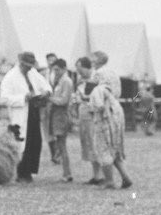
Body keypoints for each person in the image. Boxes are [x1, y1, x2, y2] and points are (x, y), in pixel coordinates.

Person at [74, 57, 132, 189]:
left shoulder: (97, 90)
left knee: (102, 149)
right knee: (115, 149)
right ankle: (125, 177)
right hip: (117, 120)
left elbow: (98, 106)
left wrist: (87, 103)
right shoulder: (110, 92)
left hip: (104, 122)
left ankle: (109, 180)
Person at [0, 51, 53, 183]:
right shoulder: (10, 77)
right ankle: (21, 173)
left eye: (31, 65)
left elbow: (45, 85)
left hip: (33, 110)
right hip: (20, 114)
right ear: (21, 63)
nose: (29, 68)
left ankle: (29, 171)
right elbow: (5, 98)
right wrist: (23, 98)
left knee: (35, 141)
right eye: (27, 66)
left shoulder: (33, 72)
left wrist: (46, 92)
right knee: (22, 142)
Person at [92, 50, 132, 180]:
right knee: (115, 145)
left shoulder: (98, 80)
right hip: (117, 109)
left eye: (93, 59)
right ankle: (125, 177)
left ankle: (109, 181)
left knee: (103, 145)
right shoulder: (113, 72)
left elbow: (98, 102)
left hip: (106, 112)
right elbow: (117, 92)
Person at [46, 58, 75, 182]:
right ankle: (66, 172)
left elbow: (63, 100)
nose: (55, 72)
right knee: (60, 144)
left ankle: (67, 173)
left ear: (64, 68)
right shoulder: (59, 81)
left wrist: (50, 98)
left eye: (57, 69)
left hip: (62, 115)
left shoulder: (66, 81)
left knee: (62, 145)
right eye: (54, 70)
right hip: (56, 115)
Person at [41, 52, 59, 163]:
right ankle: (53, 155)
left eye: (53, 60)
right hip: (45, 105)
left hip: (56, 105)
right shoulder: (43, 74)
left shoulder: (60, 74)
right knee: (47, 130)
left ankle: (58, 154)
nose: (51, 62)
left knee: (56, 130)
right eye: (49, 60)